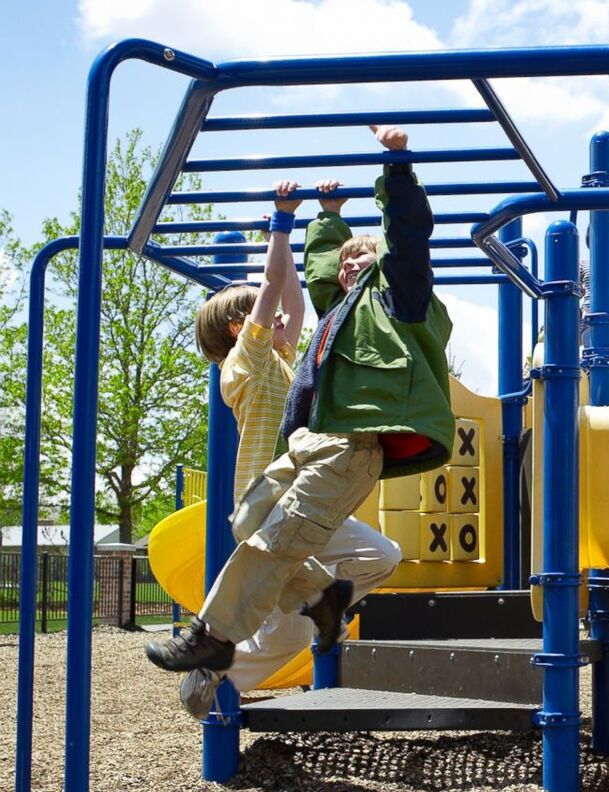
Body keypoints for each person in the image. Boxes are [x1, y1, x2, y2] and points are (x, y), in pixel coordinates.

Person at [146, 125, 454, 674]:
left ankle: (213, 635)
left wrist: (398, 163)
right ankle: (320, 597)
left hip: (349, 443)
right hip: (308, 445)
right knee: (248, 523)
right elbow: (311, 280)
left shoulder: (398, 303)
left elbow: (405, 241)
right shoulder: (334, 318)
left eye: (367, 261)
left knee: (276, 541)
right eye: (346, 261)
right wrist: (327, 216)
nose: (353, 265)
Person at [173, 179, 405, 718]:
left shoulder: (279, 358)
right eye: (265, 316)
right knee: (282, 638)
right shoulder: (246, 363)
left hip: (306, 497)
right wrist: (281, 222)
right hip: (270, 501)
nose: (282, 320)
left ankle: (303, 604)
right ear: (240, 327)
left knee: (381, 557)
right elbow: (275, 288)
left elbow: (292, 298)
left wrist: (323, 217)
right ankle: (214, 665)